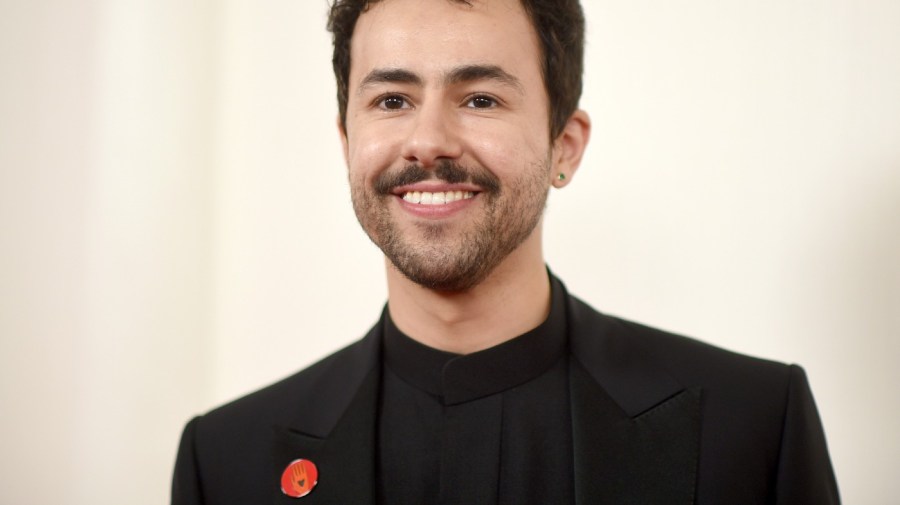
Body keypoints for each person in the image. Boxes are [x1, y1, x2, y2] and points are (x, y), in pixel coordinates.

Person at [172, 0, 840, 503]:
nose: (428, 139)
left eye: (481, 98)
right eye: (394, 99)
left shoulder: (752, 426)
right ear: (347, 139)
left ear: (564, 147)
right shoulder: (226, 461)